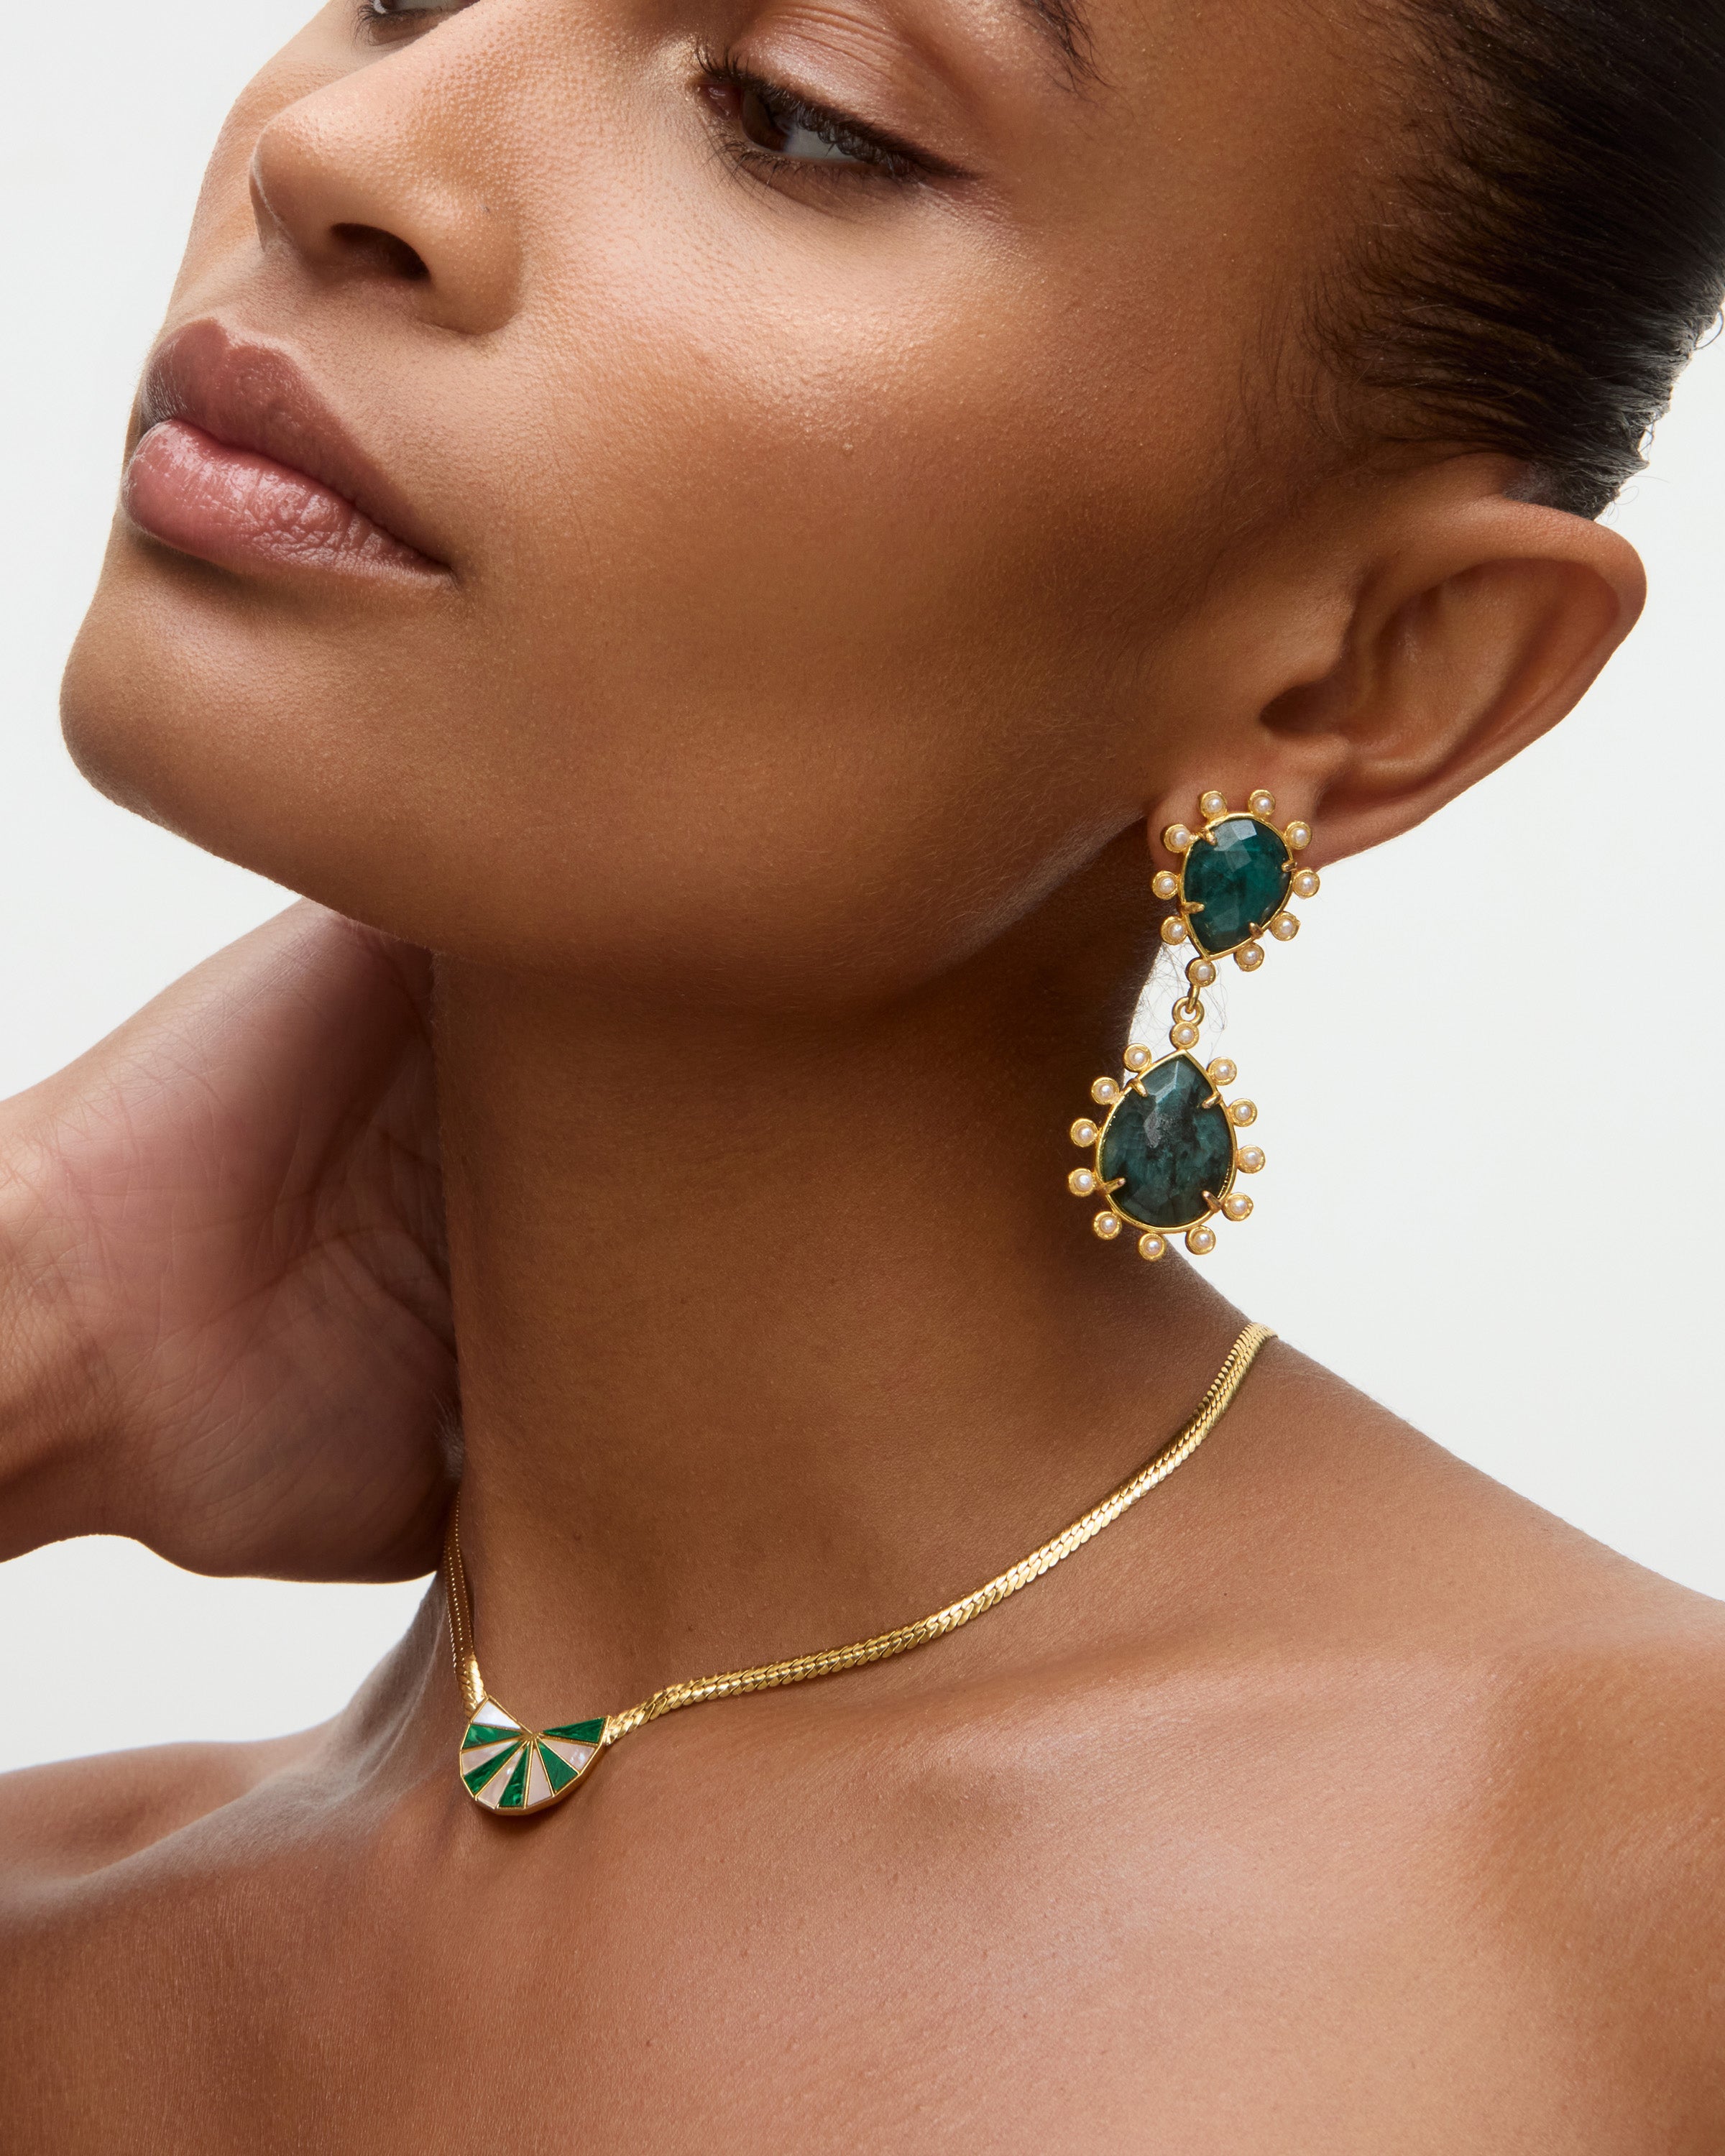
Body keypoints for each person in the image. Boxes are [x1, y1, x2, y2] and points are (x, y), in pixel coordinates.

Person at [3, 0, 1723, 2141]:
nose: (344, 143)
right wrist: (43, 1317)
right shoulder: (47, 1951)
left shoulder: (1649, 1929)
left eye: (798, 116)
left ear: (1373, 672)